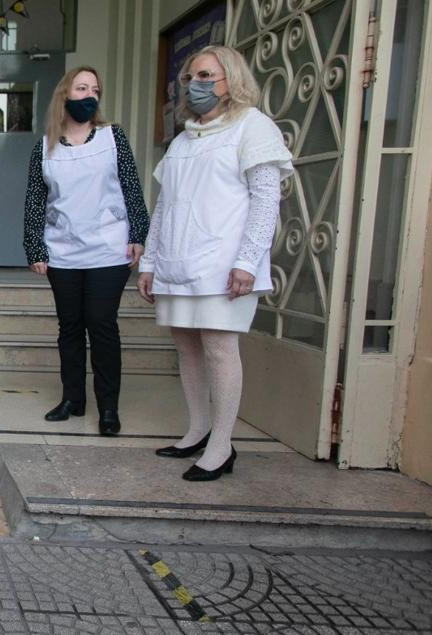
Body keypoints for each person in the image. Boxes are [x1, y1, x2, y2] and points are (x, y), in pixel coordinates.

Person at [138, 45, 293, 481]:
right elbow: (165, 205)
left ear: (232, 80)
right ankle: (198, 430)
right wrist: (149, 261)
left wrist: (247, 261)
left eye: (206, 76)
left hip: (225, 265)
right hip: (178, 261)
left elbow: (266, 202)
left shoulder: (253, 127)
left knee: (220, 350)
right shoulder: (185, 138)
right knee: (187, 347)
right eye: (190, 78)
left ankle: (222, 447)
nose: (196, 85)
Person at [23, 66, 150, 436]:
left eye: (95, 89)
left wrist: (138, 233)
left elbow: (131, 187)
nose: (90, 95)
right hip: (62, 251)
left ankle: (108, 407)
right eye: (82, 88)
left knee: (102, 324)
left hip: (109, 250)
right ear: (65, 94)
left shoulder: (113, 138)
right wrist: (35, 246)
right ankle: (72, 399)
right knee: (70, 329)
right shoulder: (44, 147)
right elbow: (35, 200)